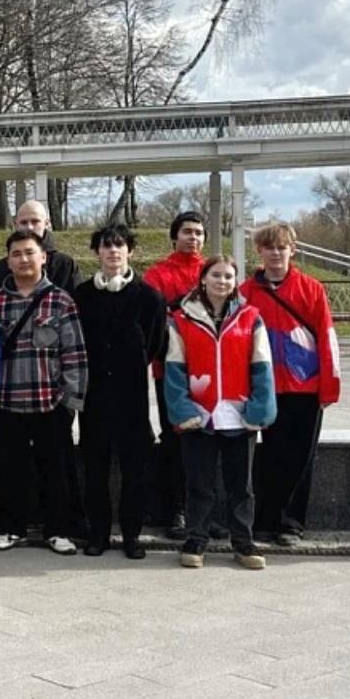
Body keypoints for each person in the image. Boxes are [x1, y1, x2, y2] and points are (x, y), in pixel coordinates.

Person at [165, 256, 276, 570]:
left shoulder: (251, 318)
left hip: (240, 415)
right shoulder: (181, 319)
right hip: (199, 415)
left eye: (228, 276)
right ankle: (196, 539)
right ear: (203, 278)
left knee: (241, 486)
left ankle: (243, 542)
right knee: (199, 483)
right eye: (216, 275)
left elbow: (262, 366)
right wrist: (182, 409)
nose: (222, 281)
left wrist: (260, 409)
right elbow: (174, 369)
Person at [0, 230, 87, 555]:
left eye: (30, 252)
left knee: (54, 471)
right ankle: (11, 528)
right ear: (7, 261)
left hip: (49, 402)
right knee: (9, 470)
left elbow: (74, 353)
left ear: (43, 257)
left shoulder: (61, 300)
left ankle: (57, 530)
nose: (23, 259)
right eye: (16, 254)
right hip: (6, 402)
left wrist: (70, 402)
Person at [240, 222, 340, 547]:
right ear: (259, 251)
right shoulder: (246, 292)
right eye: (269, 247)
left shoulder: (311, 289)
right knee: (267, 455)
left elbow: (326, 337)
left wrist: (329, 386)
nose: (275, 253)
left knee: (300, 457)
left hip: (305, 387)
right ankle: (263, 520)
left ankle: (291, 523)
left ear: (292, 250)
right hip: (263, 387)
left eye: (281, 247)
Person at [73, 224, 166, 559]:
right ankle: (98, 534)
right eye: (106, 246)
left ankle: (131, 535)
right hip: (94, 396)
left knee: (134, 471)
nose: (113, 251)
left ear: (130, 251)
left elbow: (154, 344)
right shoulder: (82, 296)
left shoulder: (149, 298)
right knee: (95, 469)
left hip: (132, 398)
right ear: (96, 252)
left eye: (119, 245)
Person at [143, 210, 207, 539]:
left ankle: (205, 510)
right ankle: (176, 509)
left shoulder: (212, 271)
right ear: (174, 236)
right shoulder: (157, 274)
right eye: (187, 232)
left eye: (198, 233)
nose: (193, 238)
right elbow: (154, 320)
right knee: (173, 438)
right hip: (169, 369)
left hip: (209, 370)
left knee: (209, 438)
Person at [0, 199, 83, 297]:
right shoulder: (1, 268)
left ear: (47, 224)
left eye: (35, 221)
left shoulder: (65, 265)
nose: (29, 227)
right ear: (16, 225)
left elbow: (78, 303)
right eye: (24, 223)